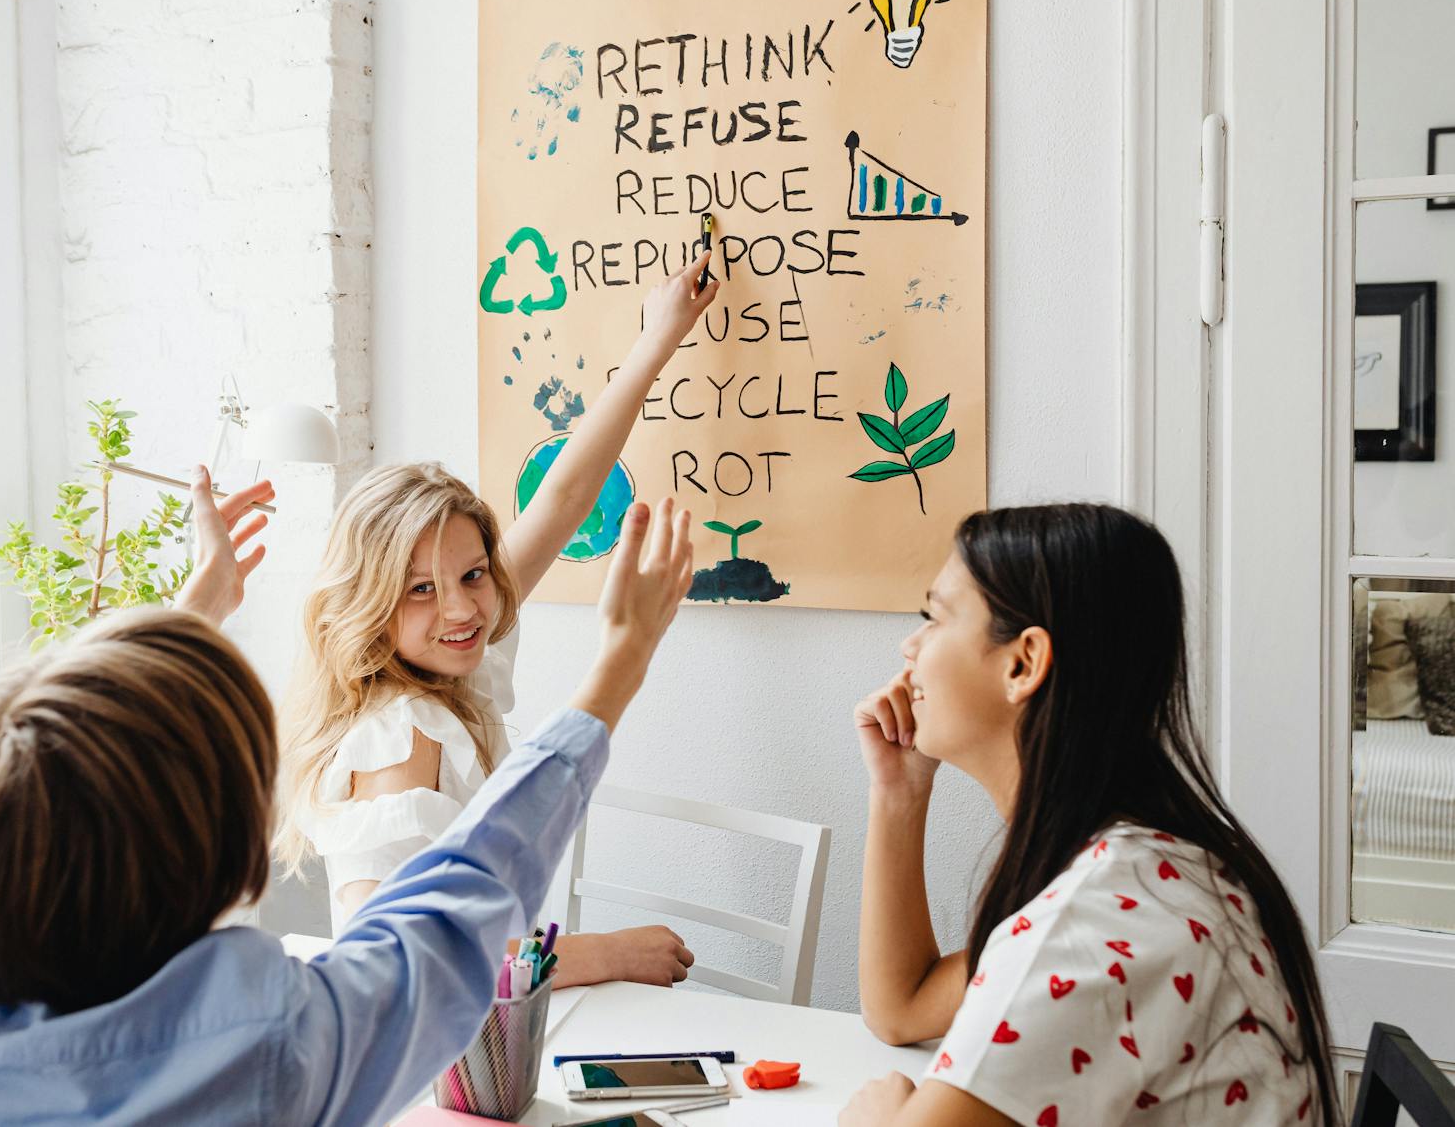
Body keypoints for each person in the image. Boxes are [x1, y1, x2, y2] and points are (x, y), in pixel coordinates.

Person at [0, 464, 696, 1127]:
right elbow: (450, 911)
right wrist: (621, 660)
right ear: (211, 869)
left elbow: (60, 762)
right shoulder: (255, 1049)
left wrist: (195, 609)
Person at [273, 251, 717, 988]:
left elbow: (567, 495)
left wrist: (657, 339)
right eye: (419, 590)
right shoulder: (399, 734)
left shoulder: (461, 659)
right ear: (370, 605)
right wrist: (607, 952)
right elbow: (403, 965)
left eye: (473, 573)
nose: (461, 607)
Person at [840, 504, 1337, 1127]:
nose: (909, 647)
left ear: (1023, 664)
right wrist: (899, 791)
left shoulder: (1099, 914)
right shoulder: (1148, 863)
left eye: (932, 618)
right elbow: (902, 1008)